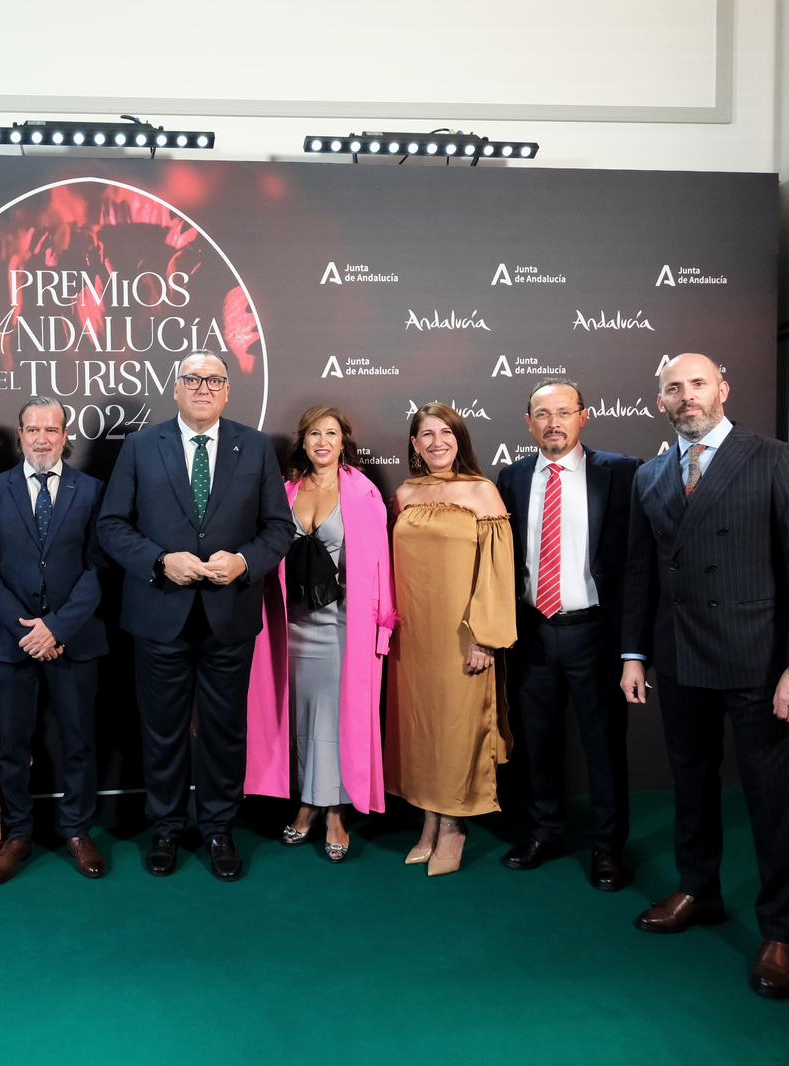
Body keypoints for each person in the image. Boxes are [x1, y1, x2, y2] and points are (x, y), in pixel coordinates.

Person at [621, 353, 789, 1000]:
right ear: (660, 402)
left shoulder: (776, 460)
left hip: (762, 663)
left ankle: (781, 935)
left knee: (772, 803)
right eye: (672, 389)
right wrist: (633, 653)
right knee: (691, 786)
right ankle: (698, 889)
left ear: (722, 389)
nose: (686, 396)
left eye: (696, 384)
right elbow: (640, 573)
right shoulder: (651, 475)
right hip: (682, 660)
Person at [98, 351, 293, 881]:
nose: (203, 387)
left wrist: (245, 562)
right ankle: (165, 827)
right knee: (161, 729)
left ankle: (218, 828)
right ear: (176, 389)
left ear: (228, 391)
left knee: (225, 730)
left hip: (229, 615)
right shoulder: (141, 446)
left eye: (214, 380)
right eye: (192, 379)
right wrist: (160, 562)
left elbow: (279, 528)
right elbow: (112, 525)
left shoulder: (254, 447)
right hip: (160, 615)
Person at [496, 380, 638, 890]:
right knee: (537, 740)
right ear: (528, 422)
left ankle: (606, 848)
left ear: (585, 416)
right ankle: (545, 831)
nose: (553, 423)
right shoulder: (510, 478)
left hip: (595, 633)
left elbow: (637, 563)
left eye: (563, 412)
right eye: (542, 414)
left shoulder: (621, 473)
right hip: (533, 631)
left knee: (603, 745)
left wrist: (632, 648)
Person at [245, 406, 395, 862]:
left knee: (335, 720)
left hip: (344, 626)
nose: (323, 441)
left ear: (344, 441)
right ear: (304, 441)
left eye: (331, 433)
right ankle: (310, 798)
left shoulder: (363, 492)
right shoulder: (286, 491)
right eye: (315, 433)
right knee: (303, 718)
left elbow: (380, 565)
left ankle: (329, 811)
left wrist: (383, 626)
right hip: (292, 625)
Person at [0, 396, 108, 884]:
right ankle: (18, 835)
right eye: (33, 430)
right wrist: (28, 629)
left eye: (52, 430)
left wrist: (58, 627)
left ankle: (77, 830)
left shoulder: (92, 491)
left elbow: (98, 567)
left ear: (66, 435)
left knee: (78, 742)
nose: (43, 439)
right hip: (13, 641)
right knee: (13, 745)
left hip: (76, 638)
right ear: (20, 433)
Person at [384, 402, 516, 877]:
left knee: (457, 728)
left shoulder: (483, 493)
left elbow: (497, 572)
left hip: (463, 634)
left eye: (446, 432)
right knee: (420, 729)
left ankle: (455, 825)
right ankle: (429, 821)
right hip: (411, 635)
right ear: (414, 445)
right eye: (425, 434)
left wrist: (485, 637)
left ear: (459, 438)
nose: (437, 441)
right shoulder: (404, 493)